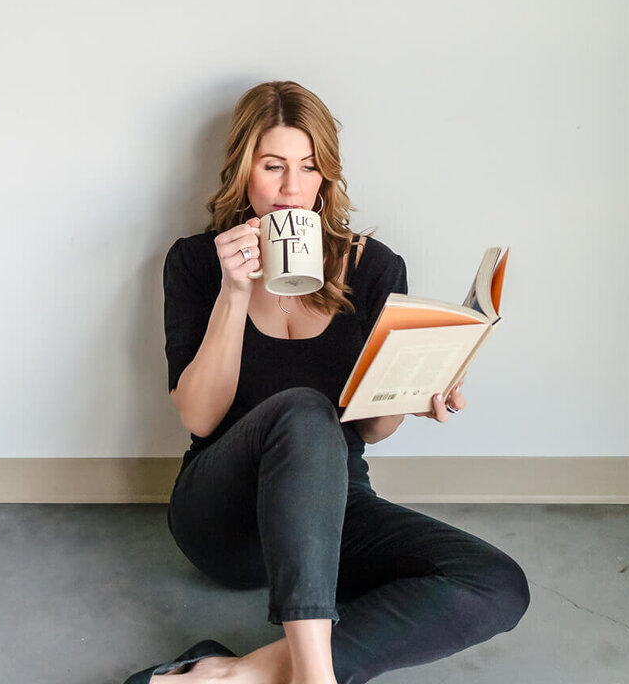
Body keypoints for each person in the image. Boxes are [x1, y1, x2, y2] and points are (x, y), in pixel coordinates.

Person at [124, 82, 529, 684]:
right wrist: (234, 293)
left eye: (309, 167)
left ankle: (237, 674)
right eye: (273, 166)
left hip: (333, 508)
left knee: (497, 583)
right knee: (305, 410)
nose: (292, 188)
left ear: (327, 175)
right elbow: (200, 420)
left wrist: (416, 392)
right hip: (225, 517)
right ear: (243, 170)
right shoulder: (196, 260)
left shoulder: (375, 267)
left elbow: (371, 428)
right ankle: (315, 678)